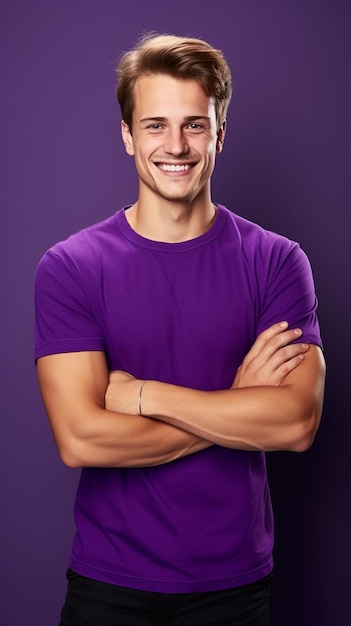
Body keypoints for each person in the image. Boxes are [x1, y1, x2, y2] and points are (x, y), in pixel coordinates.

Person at [34, 33, 325, 626]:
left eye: (195, 125)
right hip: (107, 584)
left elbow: (295, 423)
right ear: (126, 135)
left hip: (235, 587)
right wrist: (240, 407)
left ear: (219, 134)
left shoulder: (276, 261)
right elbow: (82, 440)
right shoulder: (71, 267)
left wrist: (144, 395)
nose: (176, 146)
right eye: (155, 125)